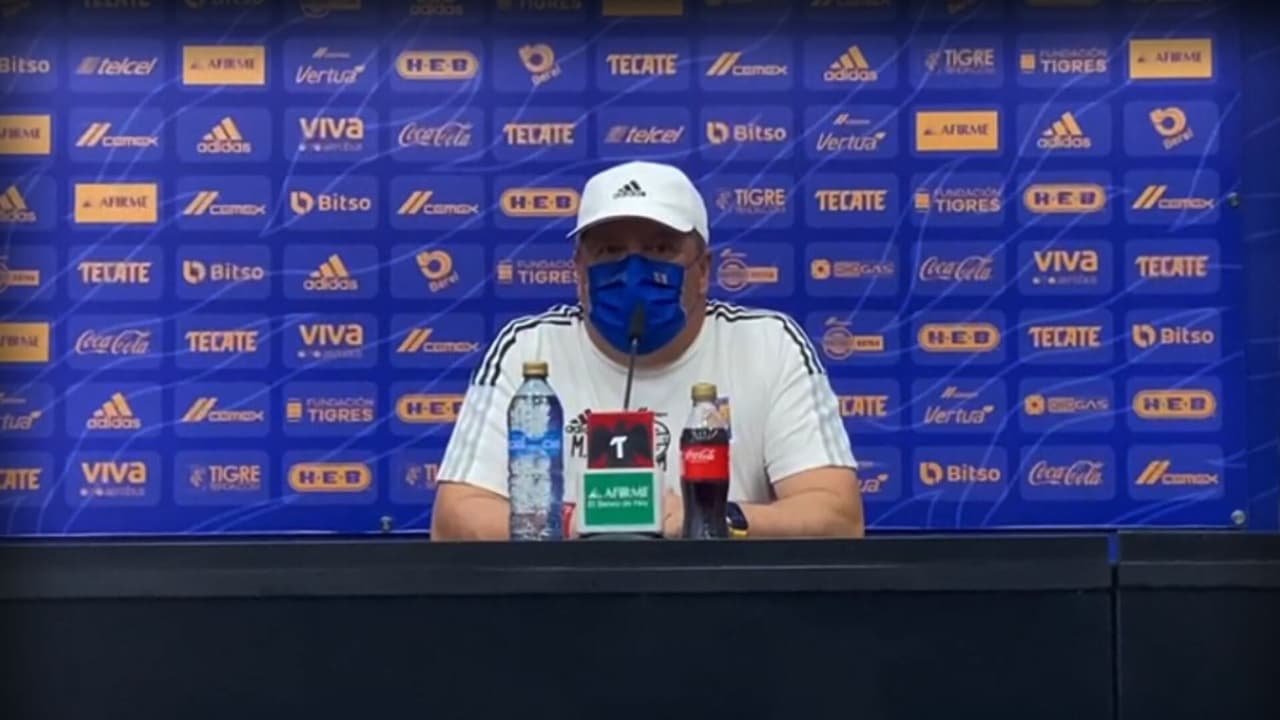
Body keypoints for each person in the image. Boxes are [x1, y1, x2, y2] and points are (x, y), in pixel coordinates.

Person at [432, 160, 863, 540]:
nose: (633, 272)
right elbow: (454, 520)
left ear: (703, 271)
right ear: (579, 272)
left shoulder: (769, 344)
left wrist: (710, 519)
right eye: (610, 251)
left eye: (660, 250)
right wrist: (572, 521)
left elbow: (838, 517)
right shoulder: (528, 348)